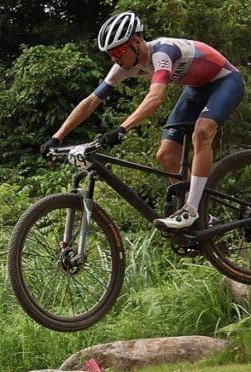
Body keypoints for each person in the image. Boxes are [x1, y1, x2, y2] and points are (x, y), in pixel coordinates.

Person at [39, 11, 244, 230]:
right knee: (166, 155)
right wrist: (57, 137)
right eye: (110, 54)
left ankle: (191, 211)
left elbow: (155, 98)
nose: (115, 59)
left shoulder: (163, 52)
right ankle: (203, 215)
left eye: (118, 51)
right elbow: (91, 102)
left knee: (202, 133)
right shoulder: (123, 66)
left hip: (225, 81)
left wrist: (122, 128)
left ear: (137, 42)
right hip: (195, 89)